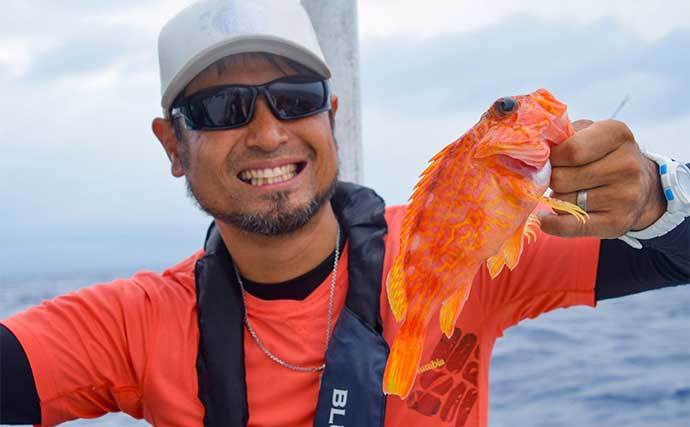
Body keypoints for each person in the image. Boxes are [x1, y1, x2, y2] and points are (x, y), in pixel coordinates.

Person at [1, 1, 688, 426]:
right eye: (221, 109)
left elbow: (673, 250)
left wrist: (655, 196)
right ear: (171, 145)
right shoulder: (135, 323)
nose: (269, 133)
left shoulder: (465, 249)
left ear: (331, 118)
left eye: (295, 98)